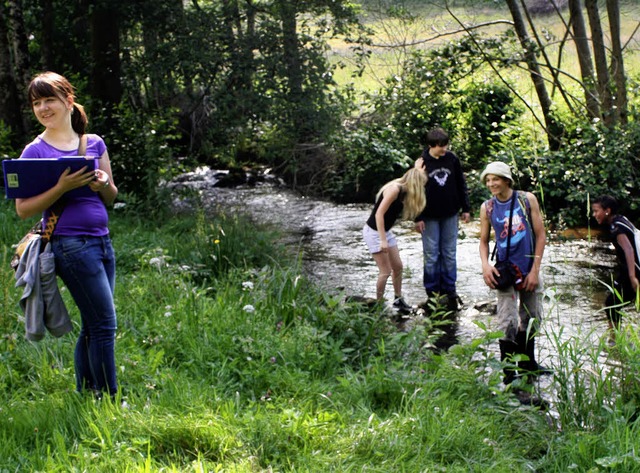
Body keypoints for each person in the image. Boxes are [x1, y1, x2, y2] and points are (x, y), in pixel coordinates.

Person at [15, 72, 119, 397]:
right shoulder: (34, 152)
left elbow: (111, 196)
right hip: (71, 246)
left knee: (93, 324)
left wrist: (101, 184)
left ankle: (87, 391)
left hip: (102, 242)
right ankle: (108, 397)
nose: (43, 108)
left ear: (68, 102)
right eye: (37, 102)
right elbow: (23, 209)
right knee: (104, 325)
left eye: (50, 100)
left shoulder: (93, 143)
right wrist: (61, 187)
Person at [478, 161, 547, 389]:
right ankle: (509, 376)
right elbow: (483, 241)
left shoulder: (527, 200)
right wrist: (486, 266)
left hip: (528, 267)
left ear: (506, 179)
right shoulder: (487, 207)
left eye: (495, 179)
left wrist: (535, 270)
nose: (491, 184)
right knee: (507, 321)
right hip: (504, 271)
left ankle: (529, 365)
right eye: (488, 180)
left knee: (531, 318)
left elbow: (540, 235)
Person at [415, 127, 471, 311]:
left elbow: (460, 183)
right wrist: (418, 217)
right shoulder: (422, 163)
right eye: (441, 146)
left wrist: (466, 208)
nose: (445, 148)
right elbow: (415, 191)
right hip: (429, 216)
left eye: (446, 144)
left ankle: (450, 290)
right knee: (431, 255)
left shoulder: (452, 159)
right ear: (432, 145)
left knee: (449, 253)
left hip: (450, 213)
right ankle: (432, 292)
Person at [363, 160, 427, 311]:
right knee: (385, 271)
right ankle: (378, 305)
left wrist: (418, 168)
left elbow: (416, 174)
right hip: (374, 232)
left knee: (398, 267)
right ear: (415, 184)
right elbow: (379, 214)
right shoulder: (394, 189)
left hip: (385, 231)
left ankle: (398, 299)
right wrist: (383, 240)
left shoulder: (405, 189)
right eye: (422, 185)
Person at [591, 195, 640, 343]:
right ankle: (617, 339)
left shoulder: (616, 227)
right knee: (613, 303)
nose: (594, 215)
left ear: (607, 211)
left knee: (611, 304)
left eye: (596, 211)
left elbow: (629, 250)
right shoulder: (621, 220)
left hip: (634, 272)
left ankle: (614, 340)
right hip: (631, 270)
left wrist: (632, 277)